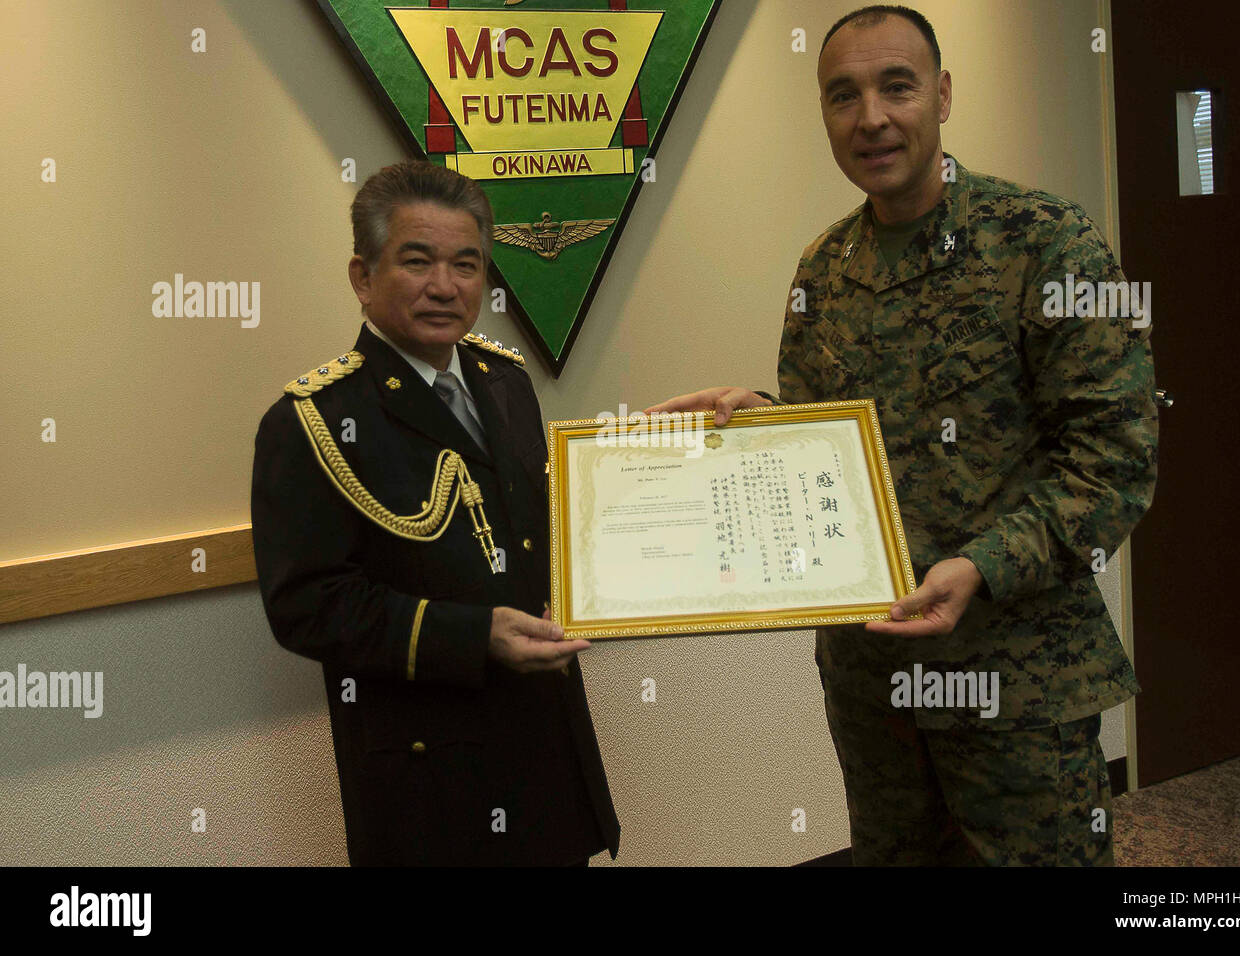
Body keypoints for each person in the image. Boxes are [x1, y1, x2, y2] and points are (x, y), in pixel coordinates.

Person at [648, 5, 1157, 865]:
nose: (871, 118)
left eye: (897, 87)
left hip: (1016, 681)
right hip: (873, 684)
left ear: (943, 96)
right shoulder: (823, 270)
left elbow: (1115, 462)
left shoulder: (1048, 242)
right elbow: (832, 455)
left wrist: (981, 567)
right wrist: (753, 429)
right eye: (842, 95)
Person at [251, 159, 619, 865]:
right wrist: (473, 635)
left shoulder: (505, 383)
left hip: (542, 746)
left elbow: (535, 535)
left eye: (466, 264)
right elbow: (307, 605)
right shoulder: (314, 421)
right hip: (427, 776)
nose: (445, 287)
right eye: (417, 261)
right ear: (363, 277)